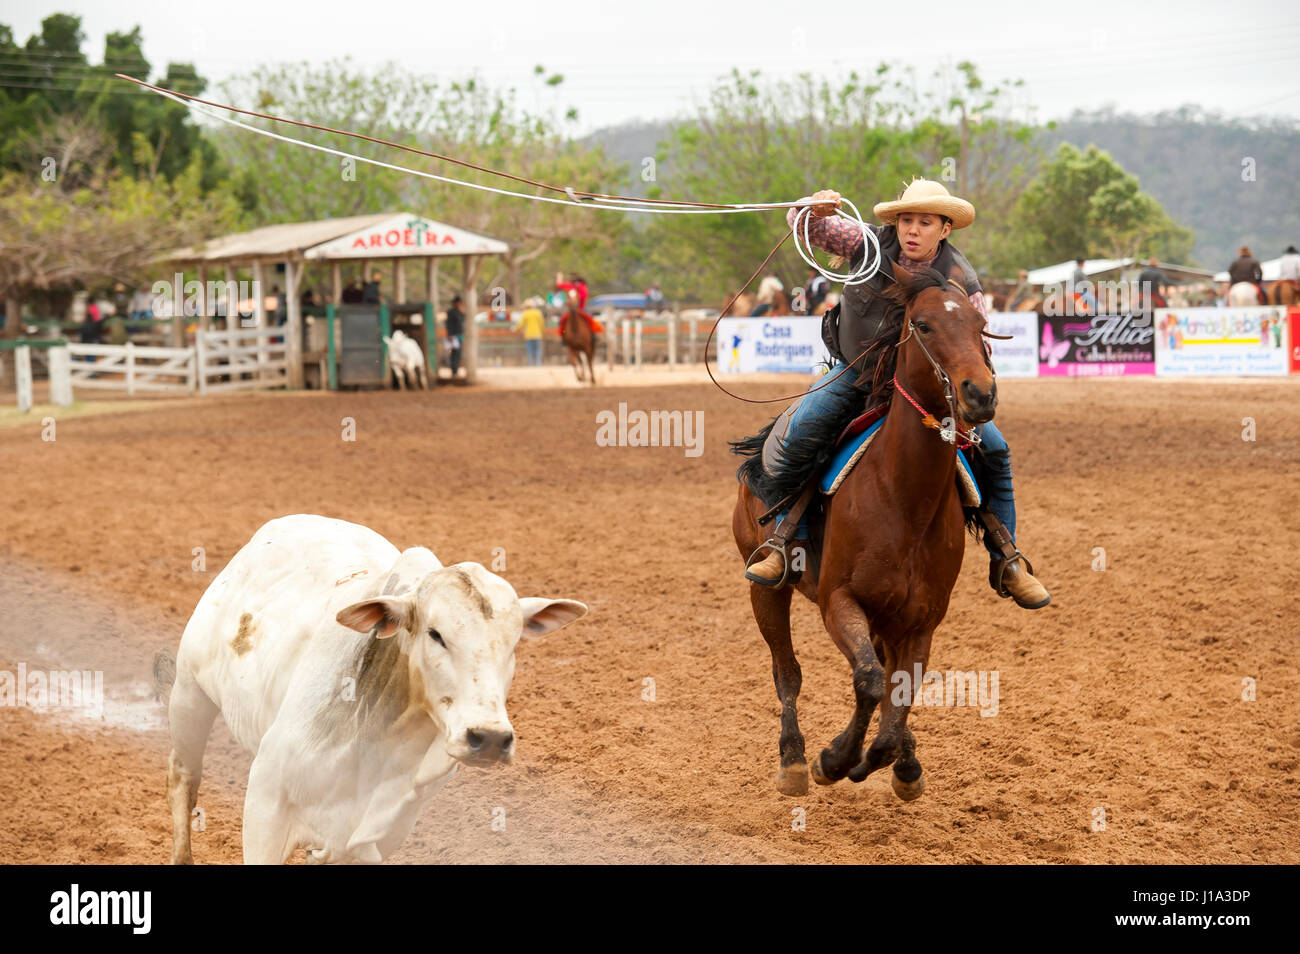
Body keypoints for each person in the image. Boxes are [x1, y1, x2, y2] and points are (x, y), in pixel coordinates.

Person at [743, 178, 1050, 610]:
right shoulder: (867, 244)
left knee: (995, 450)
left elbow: (975, 343)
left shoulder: (962, 281)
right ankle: (781, 543)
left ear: (944, 229)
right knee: (804, 427)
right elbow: (803, 226)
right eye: (907, 219)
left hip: (922, 392)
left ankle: (1008, 558)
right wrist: (814, 207)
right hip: (854, 373)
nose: (912, 230)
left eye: (925, 222)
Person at [516, 297, 546, 366]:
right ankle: (538, 364)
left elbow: (520, 324)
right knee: (538, 350)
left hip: (528, 335)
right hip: (537, 334)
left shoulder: (525, 313)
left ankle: (531, 364)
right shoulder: (538, 313)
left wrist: (515, 328)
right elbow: (542, 323)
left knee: (530, 350)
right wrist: (543, 332)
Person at [444, 294, 465, 378]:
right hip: (453, 336)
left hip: (460, 336)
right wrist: (450, 334)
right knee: (454, 354)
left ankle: (456, 370)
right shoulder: (451, 312)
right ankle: (454, 371)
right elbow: (449, 324)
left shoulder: (460, 312)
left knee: (458, 354)